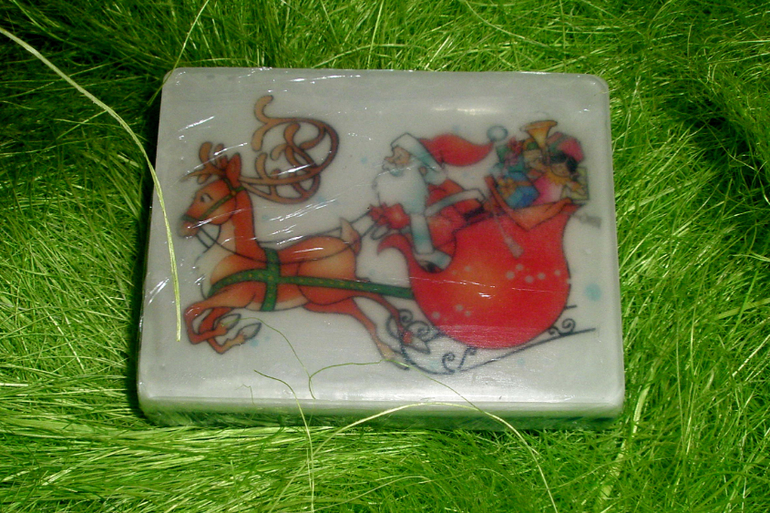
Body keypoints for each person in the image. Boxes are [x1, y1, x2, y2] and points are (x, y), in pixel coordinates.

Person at [371, 128, 506, 271]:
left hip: (448, 232)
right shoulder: (406, 191)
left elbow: (459, 208)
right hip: (427, 228)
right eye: (393, 156)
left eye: (398, 157)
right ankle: (431, 257)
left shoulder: (432, 186)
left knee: (420, 224)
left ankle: (431, 256)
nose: (392, 160)